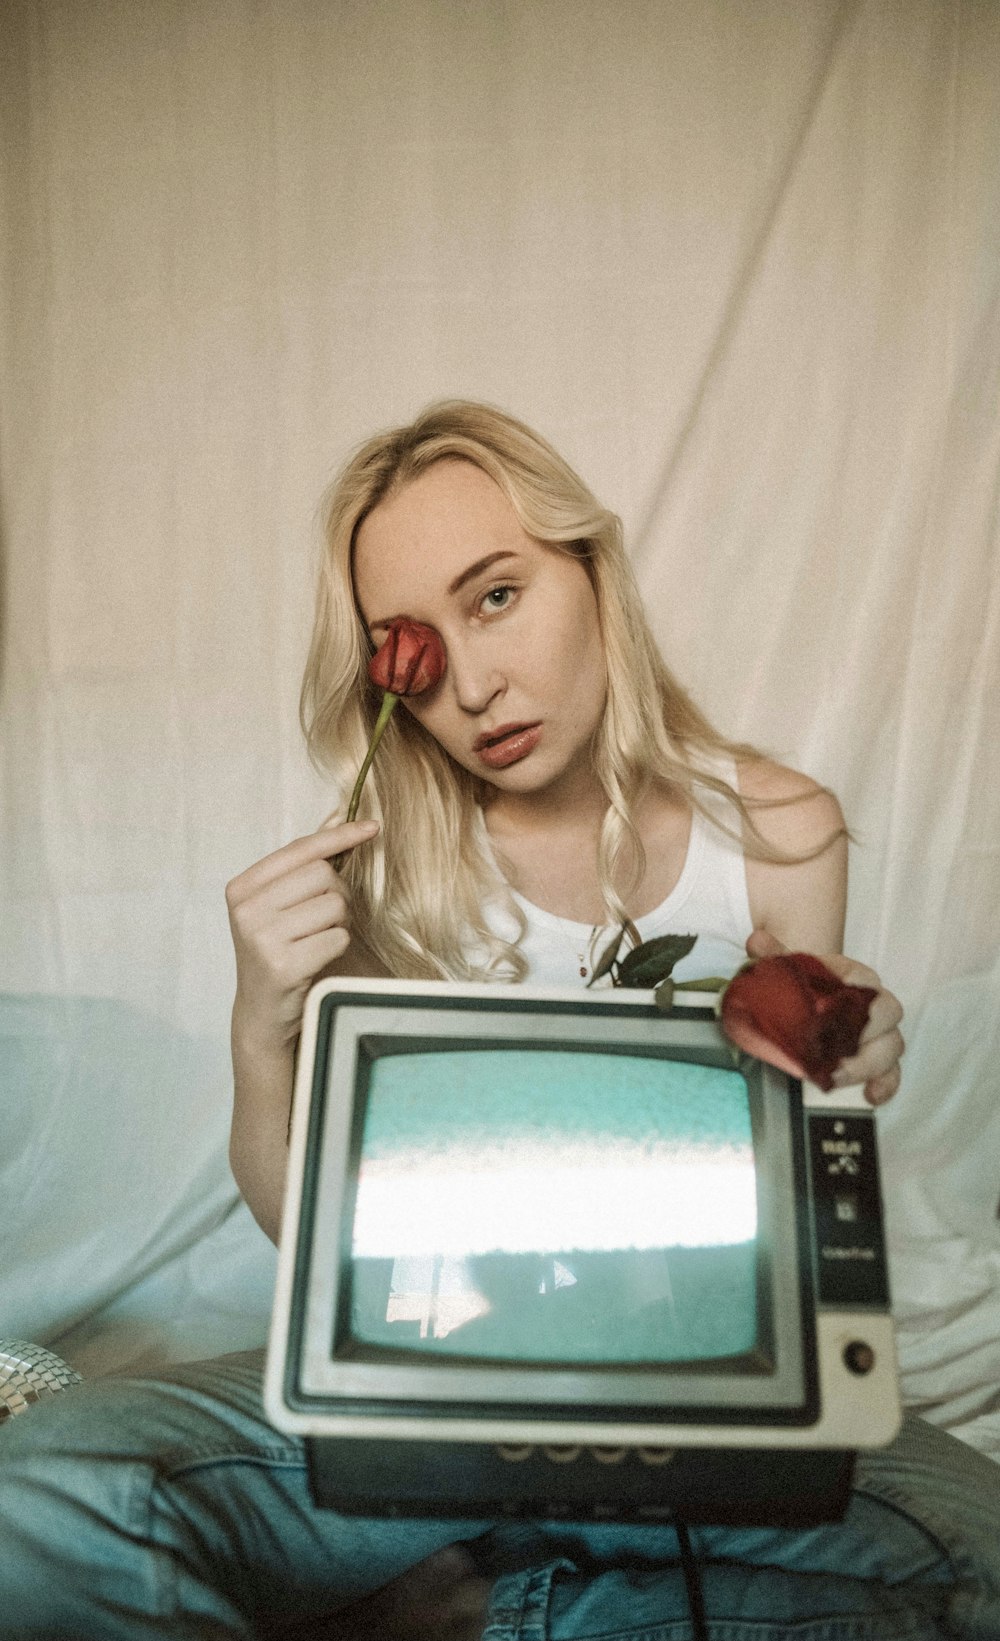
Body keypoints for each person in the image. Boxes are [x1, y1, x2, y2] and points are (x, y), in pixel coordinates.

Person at [0, 401, 997, 1640]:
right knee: (40, 1491)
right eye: (413, 641)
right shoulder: (384, 869)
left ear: (592, 571)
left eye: (496, 597)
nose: (472, 686)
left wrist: (848, 1046)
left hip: (703, 1400)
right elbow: (307, 1235)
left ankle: (490, 1611)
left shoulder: (778, 827)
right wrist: (261, 1025)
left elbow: (797, 1142)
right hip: (428, 1398)